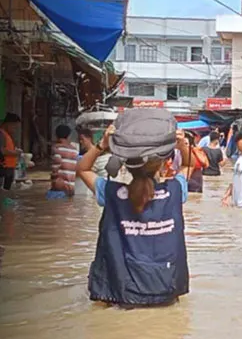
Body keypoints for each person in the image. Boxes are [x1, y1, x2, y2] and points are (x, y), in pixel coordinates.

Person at [76, 108, 193, 307]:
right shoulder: (175, 190)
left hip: (121, 292)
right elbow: (189, 166)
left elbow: (82, 169)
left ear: (125, 165)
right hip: (166, 288)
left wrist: (102, 145)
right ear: (164, 164)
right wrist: (182, 146)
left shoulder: (111, 192)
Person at [0, 113, 23, 191]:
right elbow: (2, 151)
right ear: (8, 124)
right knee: (1, 193)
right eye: (14, 126)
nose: (15, 129)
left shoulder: (5, 134)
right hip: (2, 169)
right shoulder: (0, 133)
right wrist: (16, 153)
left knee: (6, 194)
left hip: (7, 169)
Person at [48, 125, 80, 199]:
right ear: (68, 136)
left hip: (60, 188)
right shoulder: (75, 150)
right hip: (71, 187)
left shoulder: (57, 148)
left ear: (56, 135)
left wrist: (53, 179)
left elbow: (55, 169)